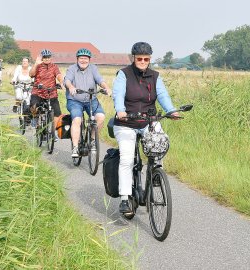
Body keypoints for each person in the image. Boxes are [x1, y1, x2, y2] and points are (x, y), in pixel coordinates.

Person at [112, 42, 179, 214]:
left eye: (146, 59)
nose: (142, 61)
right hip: (126, 122)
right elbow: (118, 93)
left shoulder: (155, 76)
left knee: (160, 143)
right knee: (127, 159)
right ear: (133, 58)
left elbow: (162, 94)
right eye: (139, 58)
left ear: (149, 59)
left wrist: (171, 111)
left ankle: (156, 172)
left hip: (149, 120)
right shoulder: (124, 74)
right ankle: (125, 198)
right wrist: (120, 110)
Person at [64, 48, 111, 157]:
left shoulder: (93, 68)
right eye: (81, 58)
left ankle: (93, 139)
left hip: (91, 99)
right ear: (77, 59)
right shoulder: (72, 68)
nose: (83, 60)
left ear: (89, 60)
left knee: (100, 117)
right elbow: (67, 80)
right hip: (75, 100)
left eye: (85, 58)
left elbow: (100, 80)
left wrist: (106, 87)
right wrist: (71, 87)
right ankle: (75, 148)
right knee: (77, 119)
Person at [29, 49, 64, 132]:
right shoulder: (38, 66)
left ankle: (52, 132)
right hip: (38, 92)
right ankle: (35, 118)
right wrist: (36, 64)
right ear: (42, 58)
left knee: (57, 113)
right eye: (45, 57)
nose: (47, 59)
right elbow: (31, 74)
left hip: (51, 93)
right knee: (34, 106)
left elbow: (58, 75)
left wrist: (62, 82)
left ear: (51, 58)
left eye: (48, 57)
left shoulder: (54, 66)